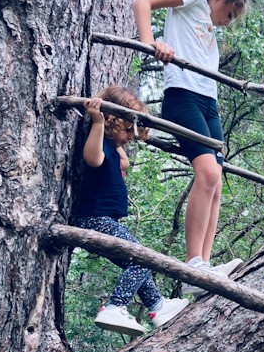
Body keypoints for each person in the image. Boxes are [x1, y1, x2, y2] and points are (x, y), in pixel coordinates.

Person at [132, 0, 247, 294]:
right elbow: (143, 1)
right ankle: (193, 263)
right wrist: (151, 41)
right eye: (229, 14)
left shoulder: (215, 2)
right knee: (208, 174)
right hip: (182, 95)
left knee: (217, 180)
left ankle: (204, 270)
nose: (227, 23)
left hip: (208, 101)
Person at [75, 86, 189, 337]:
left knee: (137, 260)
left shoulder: (113, 148)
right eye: (127, 130)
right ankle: (115, 306)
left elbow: (124, 161)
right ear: (111, 122)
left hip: (104, 220)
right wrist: (97, 122)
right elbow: (92, 159)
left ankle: (158, 307)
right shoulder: (100, 142)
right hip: (95, 219)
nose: (130, 137)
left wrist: (120, 140)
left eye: (133, 132)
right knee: (140, 257)